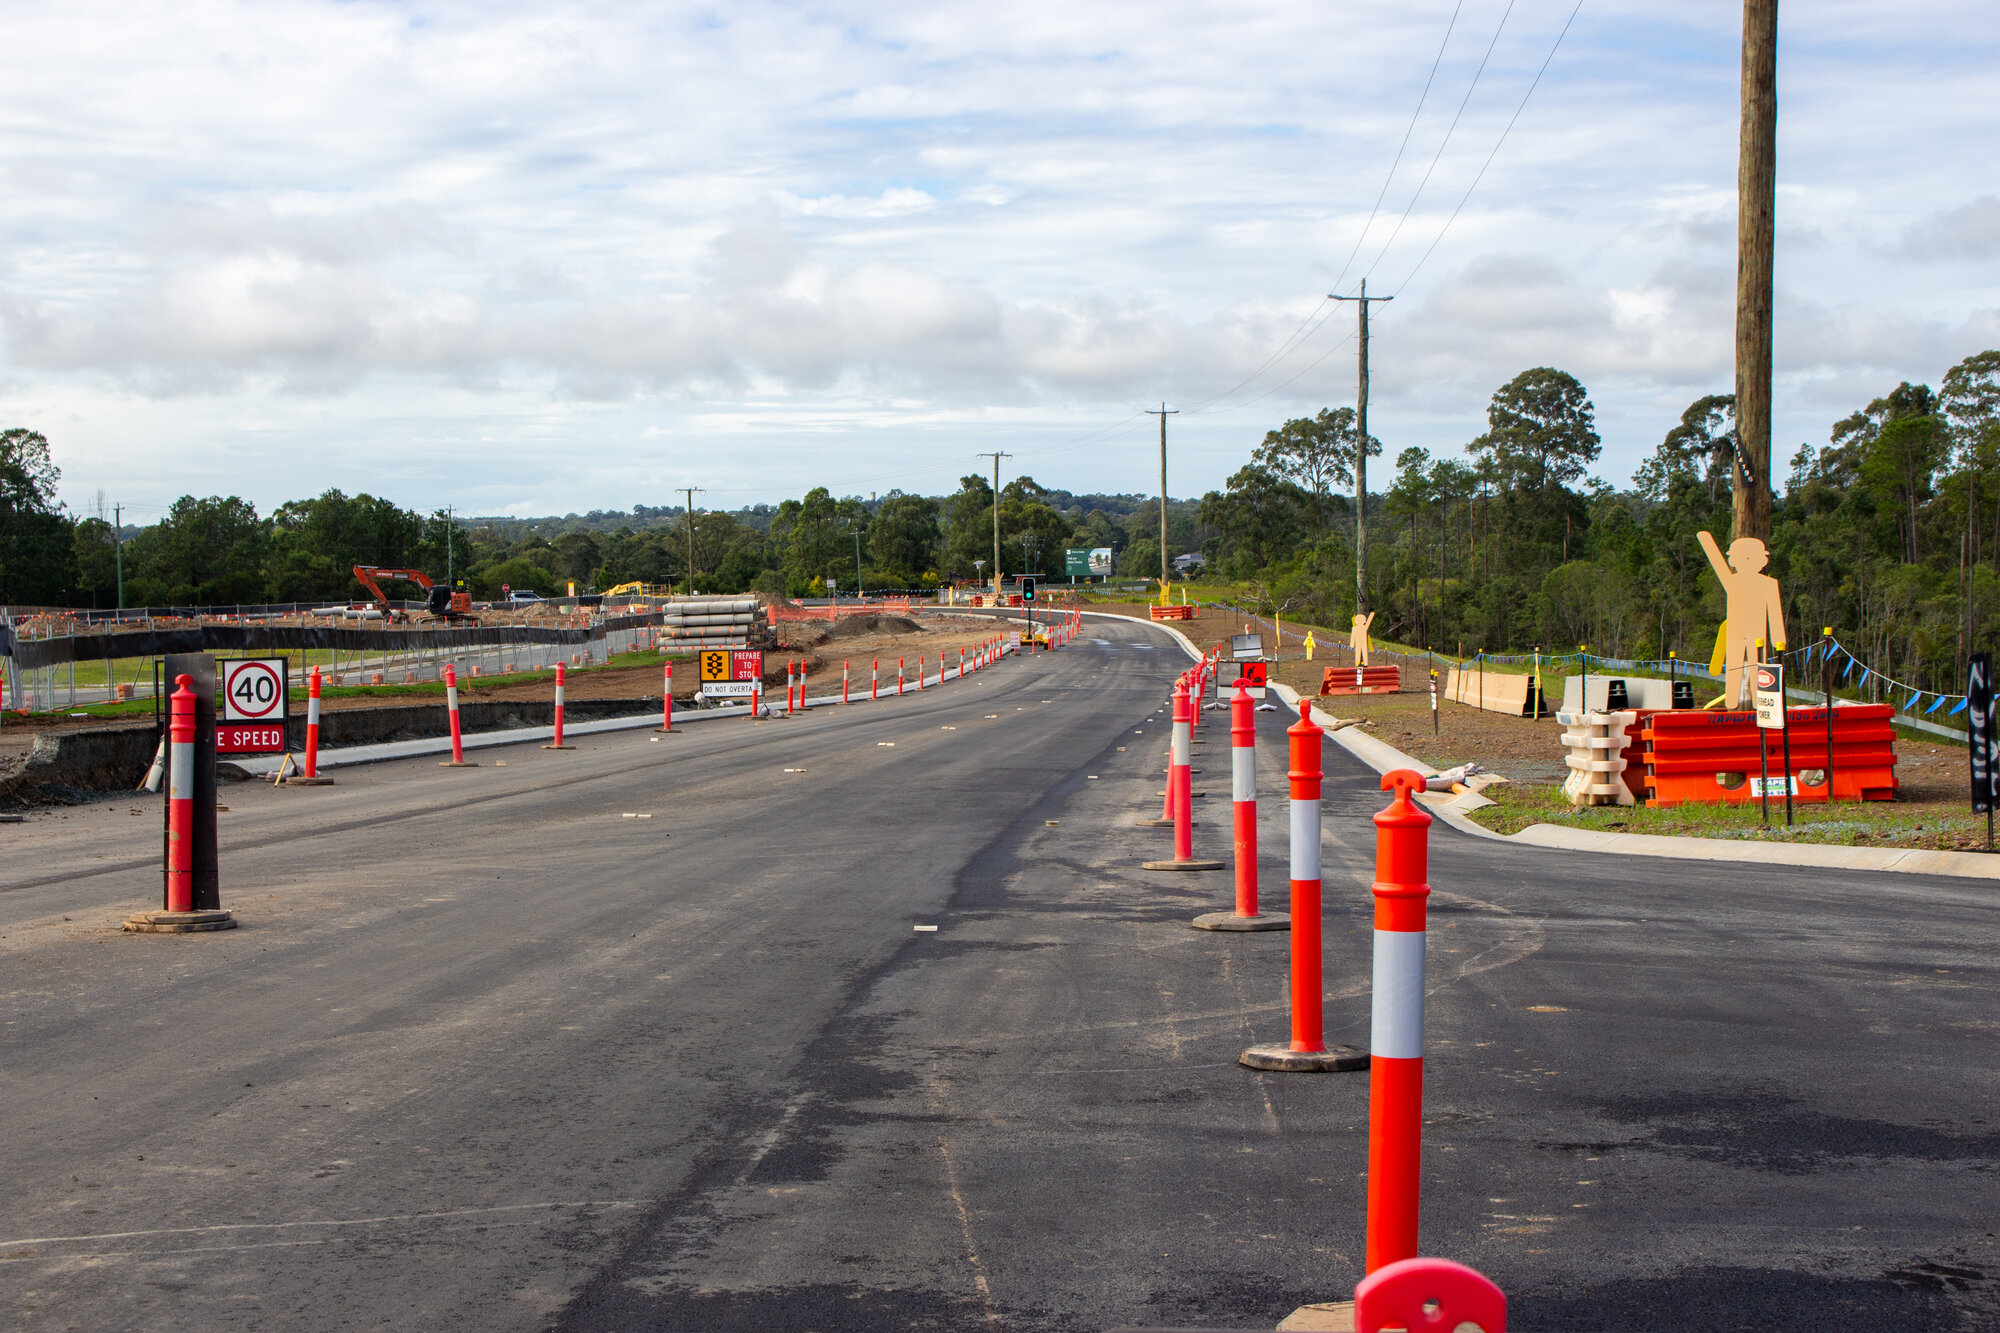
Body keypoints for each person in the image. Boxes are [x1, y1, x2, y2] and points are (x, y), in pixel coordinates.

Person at [1697, 531, 1786, 709]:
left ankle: (1758, 703)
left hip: (1757, 633)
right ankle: (1732, 701)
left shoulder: (1767, 584)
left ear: (1763, 561)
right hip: (1736, 632)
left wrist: (1778, 639)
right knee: (1733, 666)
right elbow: (1716, 562)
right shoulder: (1733, 581)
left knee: (1758, 667)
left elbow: (1774, 610)